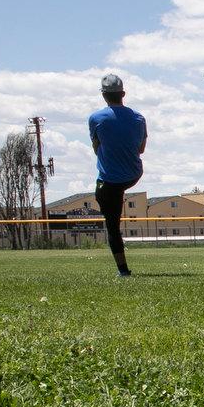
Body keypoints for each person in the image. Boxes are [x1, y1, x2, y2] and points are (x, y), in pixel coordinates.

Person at [87, 73, 147, 277]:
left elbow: (96, 148)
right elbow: (141, 149)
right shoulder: (139, 118)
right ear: (123, 93)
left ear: (104, 96)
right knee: (115, 190)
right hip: (133, 173)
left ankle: (123, 270)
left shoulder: (95, 118)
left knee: (112, 225)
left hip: (110, 179)